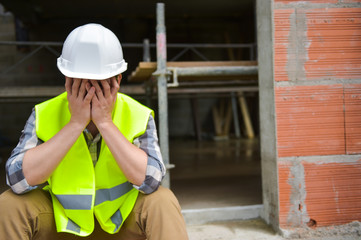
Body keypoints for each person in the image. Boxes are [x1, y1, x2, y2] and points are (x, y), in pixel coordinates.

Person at [0, 23, 188, 240]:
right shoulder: (45, 113)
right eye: (80, 82)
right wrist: (75, 124)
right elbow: (16, 181)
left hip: (120, 226)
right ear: (66, 80)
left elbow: (151, 181)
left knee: (162, 201)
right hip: (64, 227)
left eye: (98, 84)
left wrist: (106, 123)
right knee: (10, 204)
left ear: (117, 80)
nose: (89, 91)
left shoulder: (137, 114)